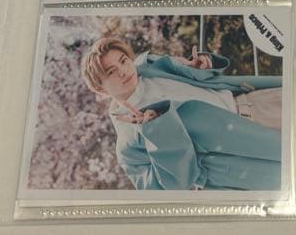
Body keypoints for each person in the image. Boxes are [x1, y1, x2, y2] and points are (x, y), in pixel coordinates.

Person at [81, 36, 282, 191]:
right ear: (100, 89)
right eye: (111, 72)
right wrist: (157, 129)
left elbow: (203, 79)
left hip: (256, 102)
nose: (123, 71)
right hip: (253, 154)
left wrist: (202, 66)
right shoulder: (127, 147)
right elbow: (172, 187)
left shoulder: (151, 65)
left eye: (123, 61)